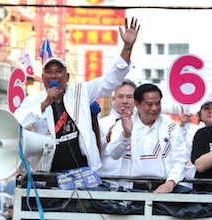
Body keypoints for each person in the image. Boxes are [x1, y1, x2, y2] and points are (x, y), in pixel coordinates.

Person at [14, 18, 139, 175]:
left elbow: (111, 80)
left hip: (83, 175)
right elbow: (16, 124)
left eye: (58, 71)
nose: (53, 76)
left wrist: (127, 47)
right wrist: (45, 103)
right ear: (43, 76)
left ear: (67, 77)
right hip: (48, 176)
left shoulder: (81, 93)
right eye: (49, 72)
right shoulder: (34, 101)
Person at [104, 83, 187, 193]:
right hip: (132, 189)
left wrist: (171, 182)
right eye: (149, 104)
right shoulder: (123, 124)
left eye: (158, 103)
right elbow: (114, 154)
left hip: (164, 189)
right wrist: (126, 134)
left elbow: (179, 160)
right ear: (137, 104)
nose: (154, 108)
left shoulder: (171, 127)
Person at [98, 80, 137, 177]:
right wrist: (106, 139)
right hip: (108, 181)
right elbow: (92, 154)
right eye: (120, 97)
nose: (125, 101)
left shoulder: (142, 124)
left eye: (129, 97)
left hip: (134, 182)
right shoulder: (101, 123)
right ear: (113, 99)